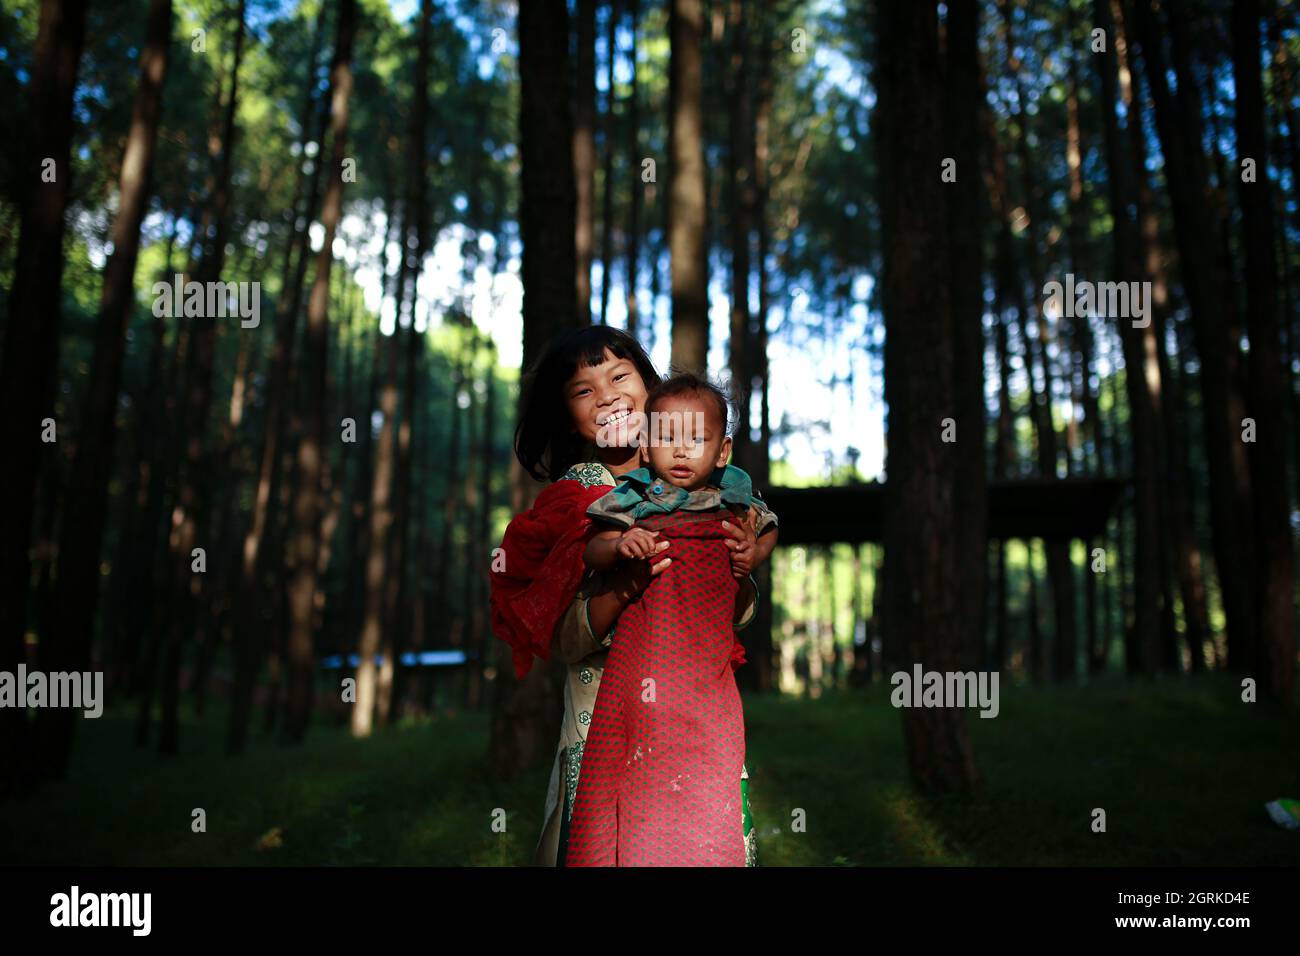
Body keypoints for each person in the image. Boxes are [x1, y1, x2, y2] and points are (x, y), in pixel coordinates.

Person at [489, 328, 771, 866]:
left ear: (649, 384)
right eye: (583, 391)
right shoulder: (572, 504)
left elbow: (733, 613)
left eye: (619, 377)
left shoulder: (706, 487)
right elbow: (566, 639)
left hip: (696, 719)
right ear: (567, 416)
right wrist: (627, 585)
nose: (608, 396)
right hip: (603, 721)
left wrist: (741, 563)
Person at [565, 373, 778, 866]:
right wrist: (618, 545)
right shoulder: (635, 496)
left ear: (723, 452)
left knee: (706, 788)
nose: (681, 452)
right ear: (646, 443)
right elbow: (592, 550)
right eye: (667, 438)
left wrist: (753, 553)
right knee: (631, 787)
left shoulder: (735, 497)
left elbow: (769, 530)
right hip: (639, 669)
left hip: (707, 683)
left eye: (697, 440)